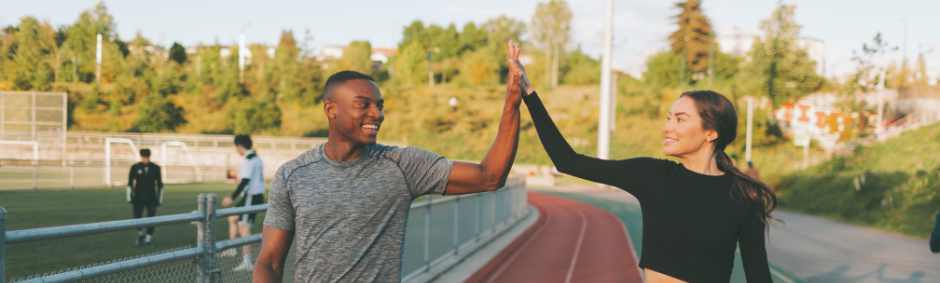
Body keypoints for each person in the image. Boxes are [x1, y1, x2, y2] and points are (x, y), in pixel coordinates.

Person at [253, 41, 525, 282]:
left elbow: (490, 176)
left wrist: (512, 102)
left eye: (379, 106)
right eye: (364, 104)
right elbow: (270, 262)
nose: (377, 114)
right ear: (330, 109)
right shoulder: (292, 174)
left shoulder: (403, 165)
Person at [516, 65, 777, 281]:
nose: (666, 127)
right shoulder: (652, 175)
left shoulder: (744, 196)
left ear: (711, 132)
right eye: (668, 117)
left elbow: (759, 276)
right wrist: (528, 92)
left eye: (680, 119)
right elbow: (568, 161)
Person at [221, 134, 265, 271]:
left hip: (251, 197)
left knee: (244, 229)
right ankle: (233, 249)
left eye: (236, 147)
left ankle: (247, 261)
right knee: (232, 217)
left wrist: (231, 197)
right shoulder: (256, 158)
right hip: (254, 196)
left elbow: (245, 181)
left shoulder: (248, 160)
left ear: (240, 146)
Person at [127, 148, 163, 248]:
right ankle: (141, 233)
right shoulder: (135, 167)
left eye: (147, 157)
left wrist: (159, 200)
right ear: (141, 157)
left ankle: (148, 239)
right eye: (144, 157)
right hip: (138, 198)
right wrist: (130, 198)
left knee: (151, 220)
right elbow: (130, 183)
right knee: (136, 218)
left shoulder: (155, 168)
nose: (145, 159)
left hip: (151, 199)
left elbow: (160, 184)